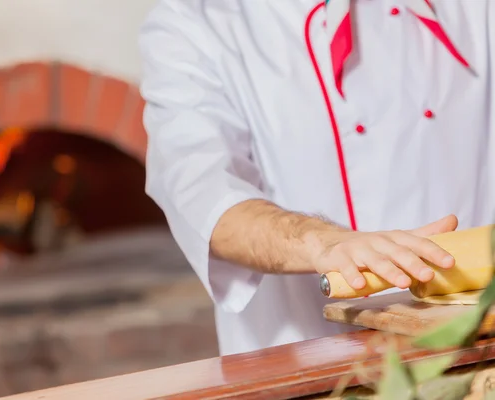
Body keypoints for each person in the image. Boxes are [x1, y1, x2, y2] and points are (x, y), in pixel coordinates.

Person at [138, 0, 495, 356]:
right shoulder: (196, 22)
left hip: (477, 353)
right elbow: (209, 203)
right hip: (309, 364)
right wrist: (321, 242)